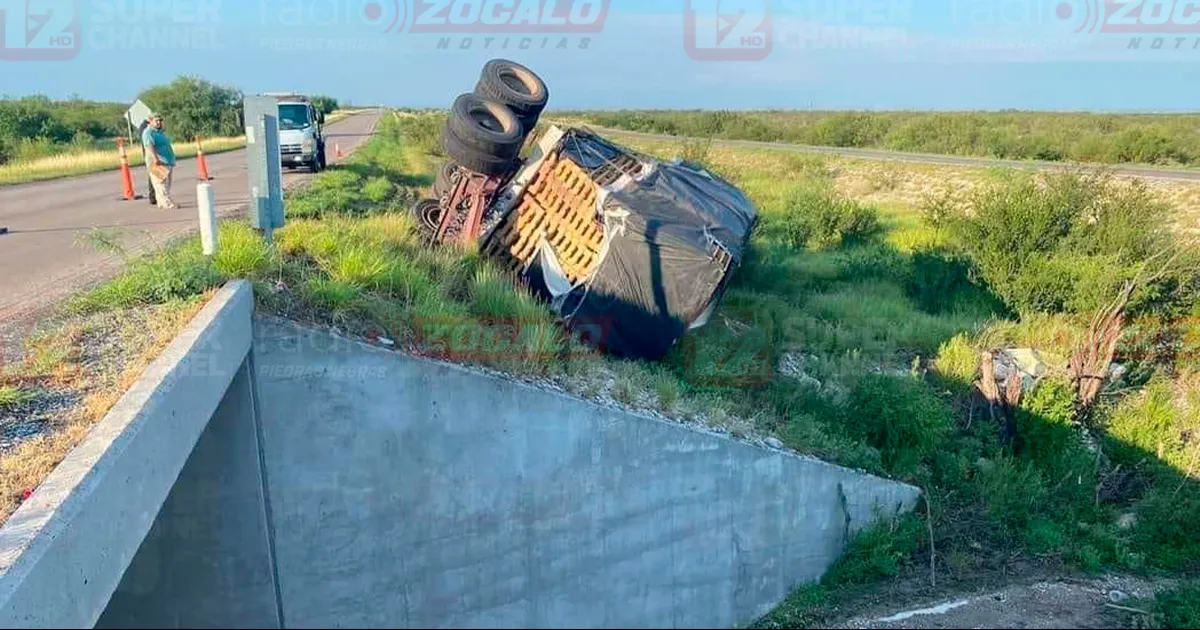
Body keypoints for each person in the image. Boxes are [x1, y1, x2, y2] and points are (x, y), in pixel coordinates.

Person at [141, 113, 178, 209]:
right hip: (158, 162)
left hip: (166, 161)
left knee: (165, 183)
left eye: (159, 121)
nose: (158, 122)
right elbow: (149, 146)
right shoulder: (148, 132)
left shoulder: (159, 132)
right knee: (161, 183)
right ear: (150, 121)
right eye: (156, 121)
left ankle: (161, 202)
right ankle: (167, 203)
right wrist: (155, 159)